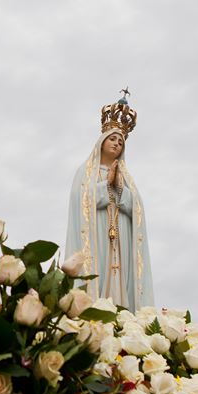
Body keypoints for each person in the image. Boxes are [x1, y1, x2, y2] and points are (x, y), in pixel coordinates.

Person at [65, 90, 154, 311]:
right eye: (113, 139)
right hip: (97, 232)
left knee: (120, 274)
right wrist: (107, 184)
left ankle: (124, 314)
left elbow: (137, 208)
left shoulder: (127, 178)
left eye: (121, 142)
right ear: (102, 142)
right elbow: (81, 201)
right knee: (99, 271)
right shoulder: (85, 172)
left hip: (121, 234)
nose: (117, 144)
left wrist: (120, 187)